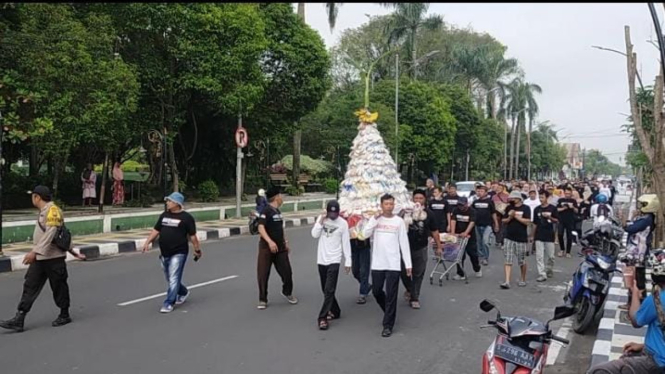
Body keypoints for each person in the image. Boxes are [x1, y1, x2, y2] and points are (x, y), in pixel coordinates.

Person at [0, 186, 85, 332]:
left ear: (37, 197)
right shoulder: (44, 211)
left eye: (32, 196)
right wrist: (72, 251)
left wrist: (34, 252)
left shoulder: (53, 210)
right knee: (30, 285)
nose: (32, 198)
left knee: (59, 287)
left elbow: (52, 233)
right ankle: (19, 318)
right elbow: (59, 233)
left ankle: (64, 314)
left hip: (54, 258)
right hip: (41, 258)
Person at [586, 249, 665, 373]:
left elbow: (635, 320)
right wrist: (643, 346)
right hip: (655, 355)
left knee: (598, 371)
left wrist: (634, 293)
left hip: (656, 362)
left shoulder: (658, 298)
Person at [362, 194, 412, 338]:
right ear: (381, 205)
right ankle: (388, 311)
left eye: (391, 204)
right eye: (386, 204)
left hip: (393, 263)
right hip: (378, 262)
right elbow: (364, 234)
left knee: (391, 294)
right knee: (377, 291)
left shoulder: (399, 222)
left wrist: (408, 264)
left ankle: (388, 325)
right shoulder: (376, 220)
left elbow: (404, 243)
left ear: (394, 205)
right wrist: (373, 219)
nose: (389, 206)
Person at [142, 192, 201, 313]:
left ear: (177, 204)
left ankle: (168, 303)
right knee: (170, 278)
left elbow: (193, 236)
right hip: (165, 253)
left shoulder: (187, 218)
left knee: (174, 277)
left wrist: (197, 250)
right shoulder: (164, 215)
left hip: (179, 252)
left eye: (169, 201)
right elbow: (156, 230)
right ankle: (183, 292)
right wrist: (147, 242)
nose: (167, 203)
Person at [311, 200, 352, 330]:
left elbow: (346, 242)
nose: (333, 215)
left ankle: (322, 317)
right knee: (325, 289)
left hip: (335, 259)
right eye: (330, 213)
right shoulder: (322, 219)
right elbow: (314, 234)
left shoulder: (343, 223)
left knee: (329, 289)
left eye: (335, 213)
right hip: (322, 259)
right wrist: (321, 220)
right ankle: (336, 311)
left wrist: (348, 260)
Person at [256, 187, 297, 309]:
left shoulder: (278, 212)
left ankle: (287, 292)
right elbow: (261, 228)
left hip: (280, 248)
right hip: (266, 248)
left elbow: (280, 229)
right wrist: (269, 242)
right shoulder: (266, 211)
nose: (282, 198)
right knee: (263, 274)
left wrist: (285, 242)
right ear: (277, 197)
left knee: (287, 273)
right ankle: (263, 299)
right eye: (281, 196)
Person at [401, 190, 441, 309]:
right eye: (416, 198)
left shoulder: (429, 214)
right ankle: (409, 288)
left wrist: (438, 246)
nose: (418, 201)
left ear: (425, 200)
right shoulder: (404, 213)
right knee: (403, 273)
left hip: (421, 247)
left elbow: (434, 231)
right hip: (405, 248)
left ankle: (415, 297)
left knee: (418, 273)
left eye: (420, 198)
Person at [500, 191, 532, 289]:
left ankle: (522, 279)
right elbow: (503, 220)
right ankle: (507, 281)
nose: (511, 200)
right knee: (508, 259)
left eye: (513, 198)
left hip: (521, 237)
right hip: (509, 236)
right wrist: (510, 217)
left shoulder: (526, 208)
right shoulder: (509, 207)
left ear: (518, 199)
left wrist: (516, 216)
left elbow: (528, 222)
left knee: (521, 260)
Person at [450, 196, 482, 279]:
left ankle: (477, 268)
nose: (460, 207)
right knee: (459, 255)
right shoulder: (455, 210)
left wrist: (466, 233)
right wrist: (453, 233)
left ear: (467, 204)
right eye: (459, 205)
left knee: (472, 254)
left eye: (462, 205)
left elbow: (472, 222)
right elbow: (453, 220)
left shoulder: (472, 211)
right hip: (458, 235)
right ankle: (460, 273)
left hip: (470, 236)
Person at [532, 191, 559, 282]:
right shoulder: (537, 209)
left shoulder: (553, 208)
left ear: (547, 198)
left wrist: (549, 217)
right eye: (539, 197)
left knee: (551, 256)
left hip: (549, 234)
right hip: (539, 234)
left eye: (542, 197)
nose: (541, 199)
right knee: (539, 256)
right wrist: (532, 235)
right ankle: (542, 273)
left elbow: (557, 221)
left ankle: (549, 269)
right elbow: (534, 223)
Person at [472, 185, 497, 266]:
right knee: (478, 242)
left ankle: (486, 257)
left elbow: (493, 213)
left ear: (486, 192)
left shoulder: (490, 202)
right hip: (477, 225)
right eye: (478, 191)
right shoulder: (475, 202)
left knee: (485, 241)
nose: (479, 193)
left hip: (487, 225)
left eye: (482, 191)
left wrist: (496, 223)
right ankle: (480, 256)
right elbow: (471, 213)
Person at [557, 188, 579, 258]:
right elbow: (557, 209)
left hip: (570, 220)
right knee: (560, 234)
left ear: (571, 193)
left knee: (569, 236)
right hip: (561, 220)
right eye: (566, 193)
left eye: (569, 194)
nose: (567, 195)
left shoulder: (573, 201)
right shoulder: (560, 200)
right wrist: (564, 208)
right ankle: (562, 249)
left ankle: (568, 252)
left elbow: (577, 211)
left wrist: (572, 207)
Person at [492, 183, 510, 248]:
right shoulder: (494, 196)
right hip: (496, 214)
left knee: (503, 228)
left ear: (503, 189)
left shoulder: (507, 196)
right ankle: (498, 239)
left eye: (500, 188)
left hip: (504, 214)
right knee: (496, 227)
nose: (499, 189)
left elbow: (510, 204)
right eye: (498, 188)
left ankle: (502, 241)